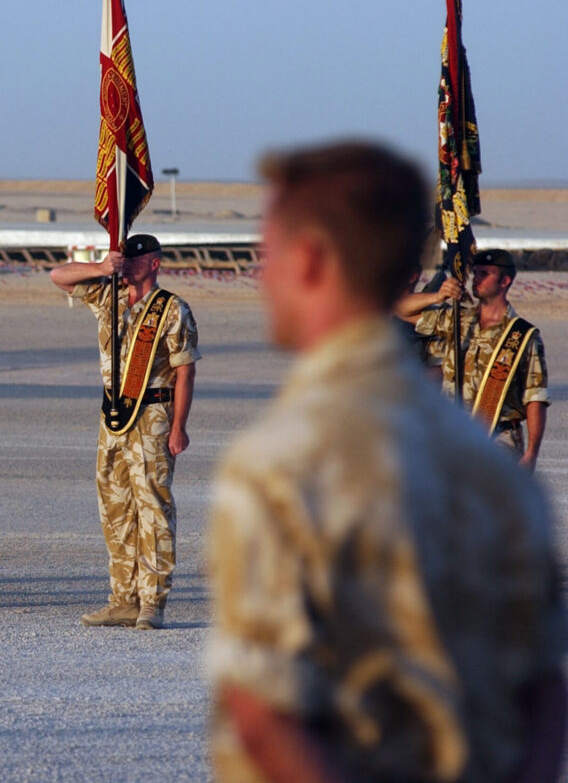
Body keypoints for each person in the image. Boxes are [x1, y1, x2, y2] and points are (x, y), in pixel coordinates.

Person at [208, 141, 566, 782]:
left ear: (310, 260)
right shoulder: (495, 472)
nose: (261, 276)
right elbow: (542, 692)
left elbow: (263, 714)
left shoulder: (284, 460)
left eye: (268, 253)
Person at [49, 235, 200, 630]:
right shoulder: (109, 296)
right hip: (113, 417)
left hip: (153, 415)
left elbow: (185, 371)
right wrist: (101, 268)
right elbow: (58, 276)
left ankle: (152, 602)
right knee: (115, 508)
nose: (126, 265)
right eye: (123, 259)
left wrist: (179, 427)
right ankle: (123, 600)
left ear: (154, 264)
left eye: (134, 260)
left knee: (153, 508)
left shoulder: (172, 309)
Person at [396, 248, 550, 469]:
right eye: (475, 273)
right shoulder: (457, 321)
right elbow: (399, 308)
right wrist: (438, 296)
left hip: (498, 439)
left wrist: (532, 453)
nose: (476, 279)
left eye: (485, 274)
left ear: (504, 281)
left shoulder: (522, 336)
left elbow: (535, 397)